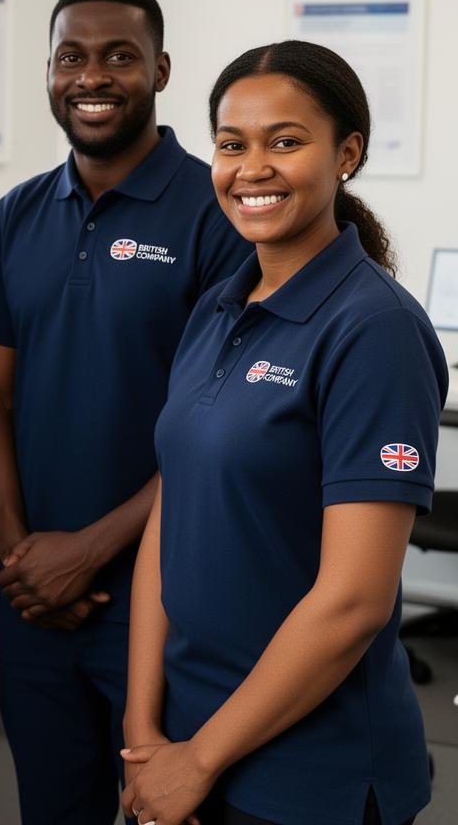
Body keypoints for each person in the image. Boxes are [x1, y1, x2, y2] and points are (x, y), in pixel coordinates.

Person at [121, 40, 447, 825]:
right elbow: (171, 514)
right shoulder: (218, 307)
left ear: (347, 154)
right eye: (232, 145)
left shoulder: (374, 329)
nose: (253, 168)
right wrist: (142, 728)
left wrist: (198, 761)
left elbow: (354, 602)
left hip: (309, 776)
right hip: (184, 737)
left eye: (287, 141)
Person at [0, 0, 253, 824]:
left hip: (169, 600)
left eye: (119, 57)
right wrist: (21, 554)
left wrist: (87, 552)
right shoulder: (17, 214)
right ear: (49, 72)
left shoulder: (217, 214)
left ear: (160, 71)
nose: (91, 76)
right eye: (71, 57)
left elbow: (221, 430)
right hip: (36, 604)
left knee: (169, 809)